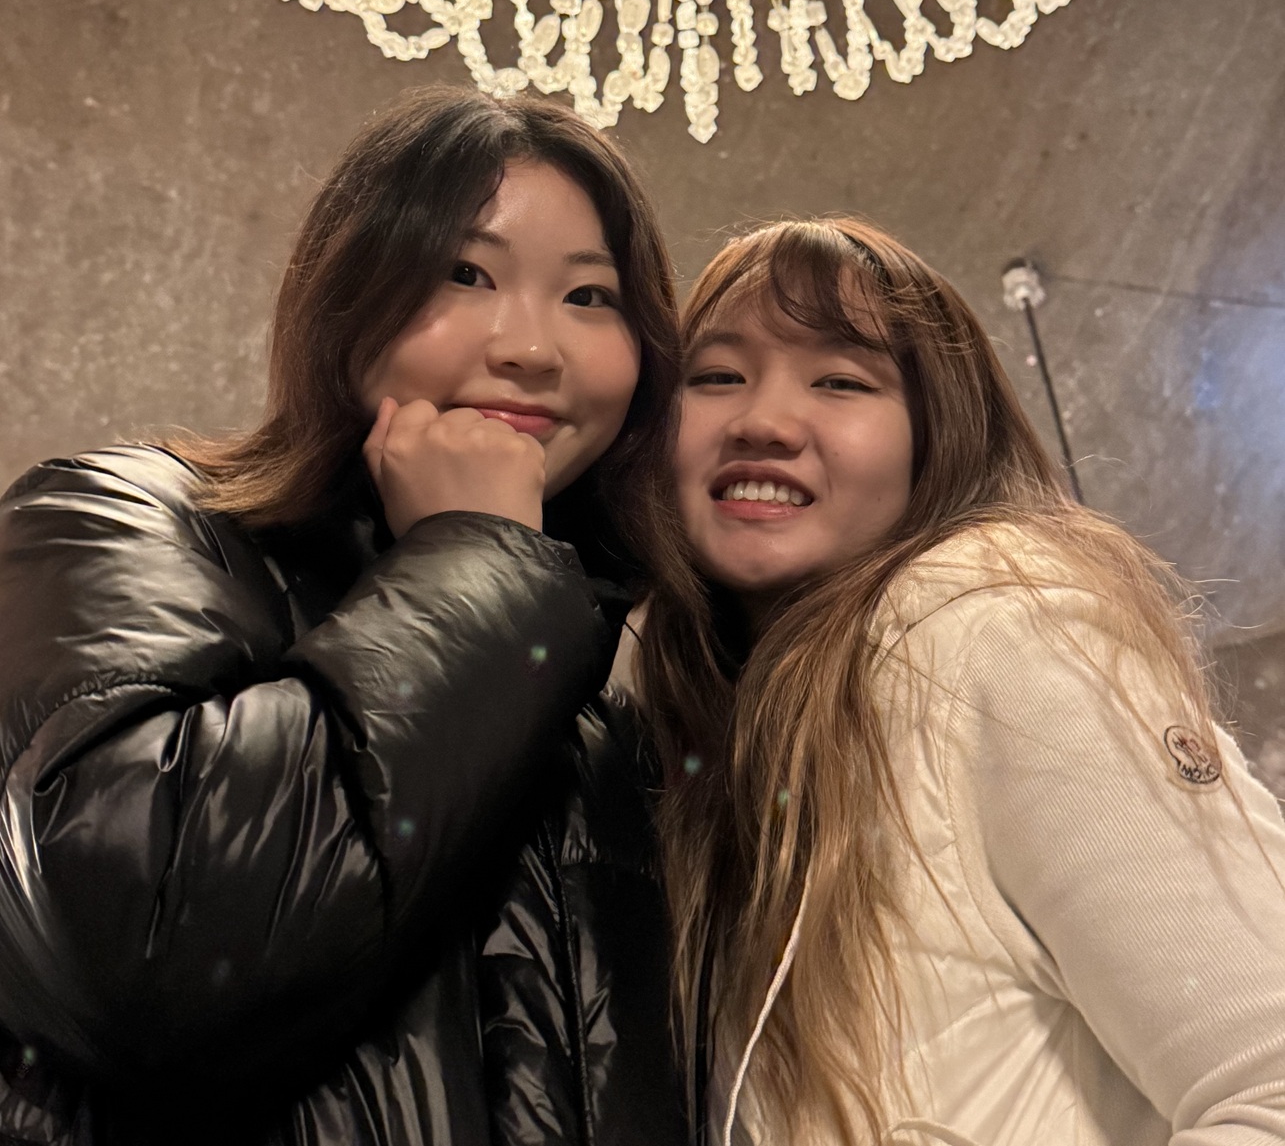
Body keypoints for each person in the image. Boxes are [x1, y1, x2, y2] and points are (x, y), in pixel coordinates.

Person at [0, 89, 687, 1146]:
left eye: (590, 298)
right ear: (348, 294)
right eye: (466, 273)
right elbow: (139, 953)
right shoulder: (116, 517)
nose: (534, 348)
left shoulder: (617, 682)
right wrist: (473, 557)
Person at [638, 216, 1285, 1146]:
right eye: (716, 376)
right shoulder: (722, 759)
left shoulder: (1000, 632)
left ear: (934, 438)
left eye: (840, 380)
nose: (762, 420)